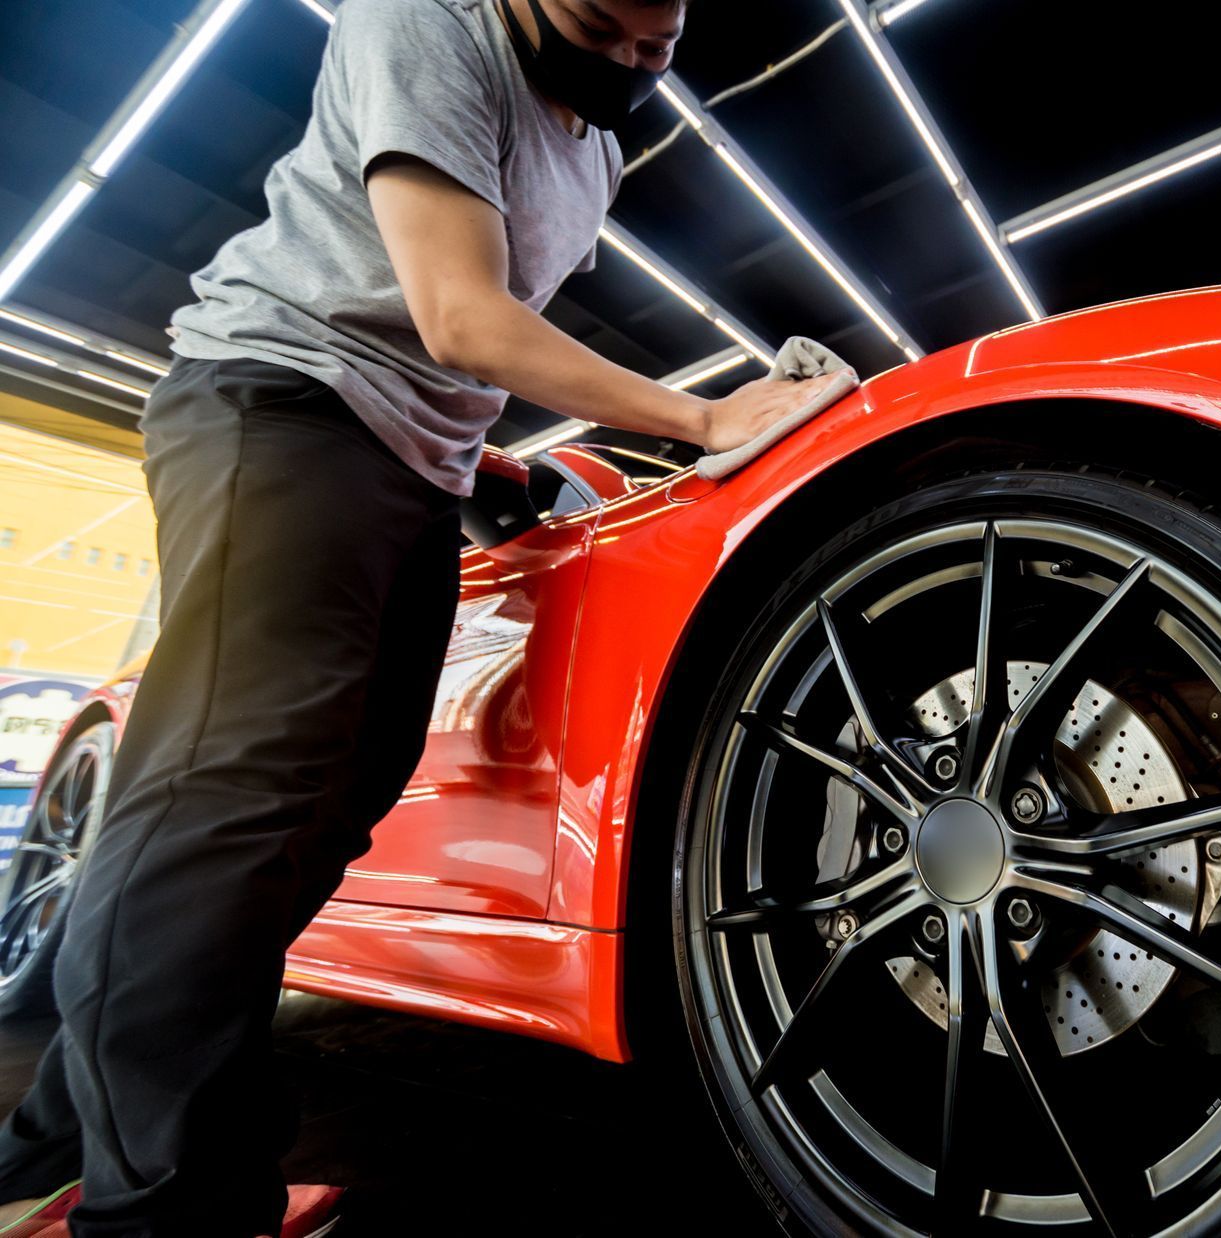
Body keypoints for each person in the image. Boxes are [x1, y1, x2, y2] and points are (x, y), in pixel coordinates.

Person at [0, 0, 831, 1232]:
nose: (625, 61)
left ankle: (67, 1132)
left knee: (330, 810)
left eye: (653, 46)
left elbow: (458, 346)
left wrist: (478, 460)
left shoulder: (596, 151)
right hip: (283, 405)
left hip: (414, 468)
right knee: (232, 800)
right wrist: (705, 415)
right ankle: (162, 1209)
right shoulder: (424, 23)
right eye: (598, 26)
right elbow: (460, 315)